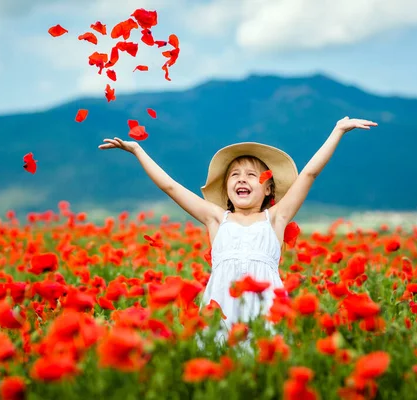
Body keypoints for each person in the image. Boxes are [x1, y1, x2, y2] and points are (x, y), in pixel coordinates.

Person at [98, 116, 378, 345]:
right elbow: (170, 186)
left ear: (269, 188)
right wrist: (138, 151)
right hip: (221, 311)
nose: (242, 179)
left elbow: (309, 174)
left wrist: (338, 131)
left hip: (266, 312)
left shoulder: (276, 218)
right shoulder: (216, 220)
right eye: (235, 175)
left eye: (252, 175)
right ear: (227, 190)